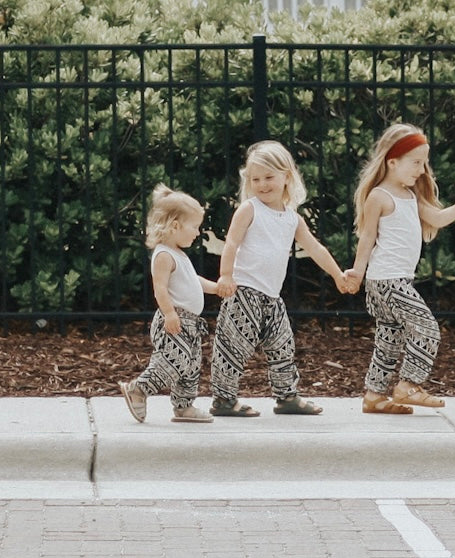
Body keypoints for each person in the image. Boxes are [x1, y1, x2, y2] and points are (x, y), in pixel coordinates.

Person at [210, 140, 349, 416]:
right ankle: (223, 399)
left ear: (287, 176)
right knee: (233, 345)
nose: (262, 185)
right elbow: (231, 244)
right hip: (244, 292)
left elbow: (315, 248)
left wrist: (337, 274)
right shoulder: (249, 209)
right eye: (256, 179)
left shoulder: (292, 219)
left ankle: (287, 396)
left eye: (269, 177)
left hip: (272, 297)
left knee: (283, 345)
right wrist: (226, 275)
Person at [346, 124, 455, 414]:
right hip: (387, 281)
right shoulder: (380, 196)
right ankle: (409, 385)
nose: (422, 169)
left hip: (394, 280)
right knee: (427, 329)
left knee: (389, 338)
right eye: (416, 162)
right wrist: (356, 272)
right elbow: (367, 239)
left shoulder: (411, 197)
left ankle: (374, 395)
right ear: (392, 161)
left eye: (424, 162)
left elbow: (439, 218)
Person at [119, 185, 217, 424]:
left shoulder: (179, 255)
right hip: (175, 320)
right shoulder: (164, 255)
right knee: (173, 362)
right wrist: (170, 313)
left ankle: (184, 406)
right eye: (194, 227)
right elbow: (160, 289)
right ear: (175, 226)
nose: (197, 232)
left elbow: (193, 282)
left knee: (191, 365)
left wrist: (216, 288)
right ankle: (138, 389)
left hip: (190, 324)